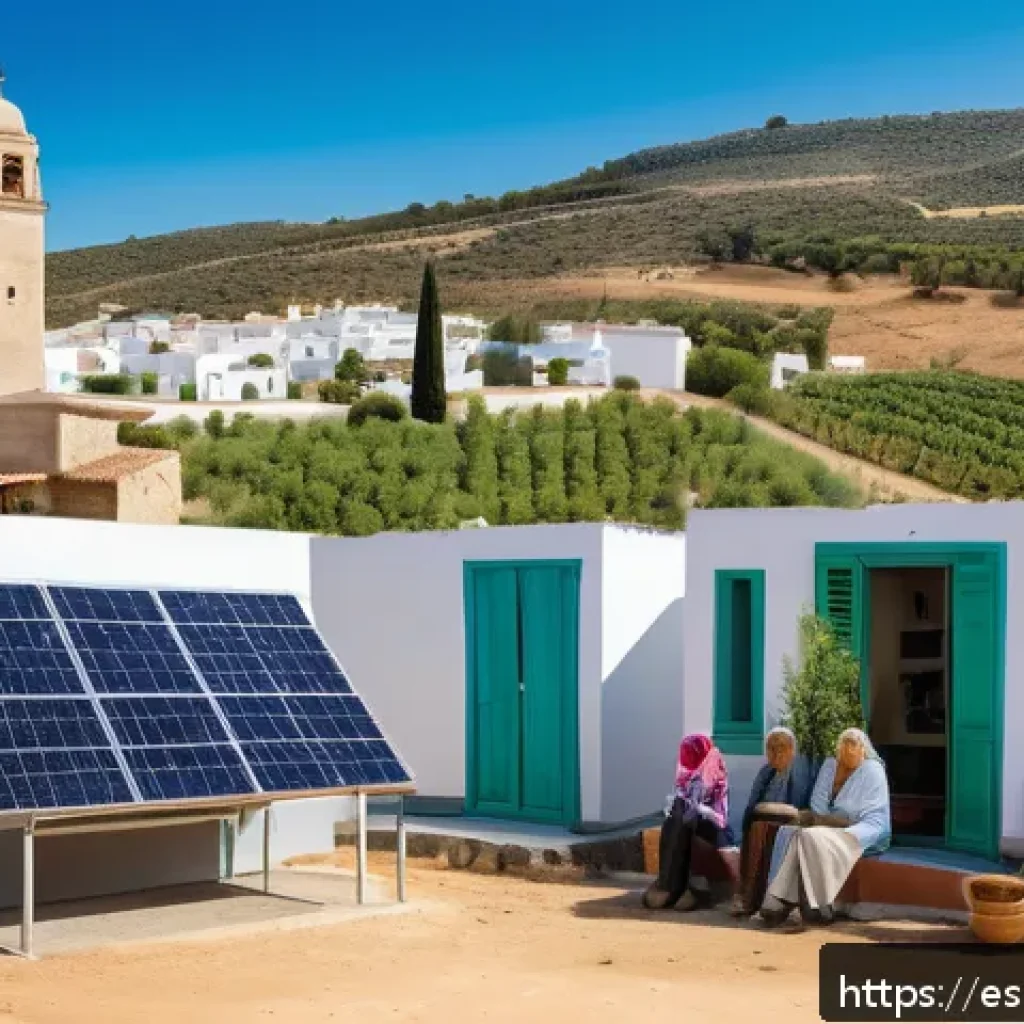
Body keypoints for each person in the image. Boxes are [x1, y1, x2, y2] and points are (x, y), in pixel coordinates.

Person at [759, 728, 891, 927]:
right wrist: (823, 819)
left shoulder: (873, 771)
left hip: (861, 828)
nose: (847, 752)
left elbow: (869, 818)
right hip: (827, 823)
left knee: (812, 837)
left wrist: (827, 821)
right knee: (789, 831)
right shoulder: (831, 765)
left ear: (863, 750)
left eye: (853, 747)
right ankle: (781, 896)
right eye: (843, 747)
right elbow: (818, 802)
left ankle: (813, 901)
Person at [729, 726, 815, 917]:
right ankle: (746, 894)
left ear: (792, 749)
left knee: (761, 829)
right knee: (755, 828)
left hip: (790, 824)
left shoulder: (800, 772)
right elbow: (751, 806)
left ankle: (752, 898)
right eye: (771, 748)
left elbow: (801, 809)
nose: (776, 753)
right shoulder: (766, 773)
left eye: (782, 747)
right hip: (762, 822)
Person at [643, 733, 734, 912]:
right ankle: (669, 883)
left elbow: (709, 808)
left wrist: (688, 807)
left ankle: (685, 886)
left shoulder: (713, 769)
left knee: (689, 822)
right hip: (690, 821)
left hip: (714, 827)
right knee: (673, 822)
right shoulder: (687, 774)